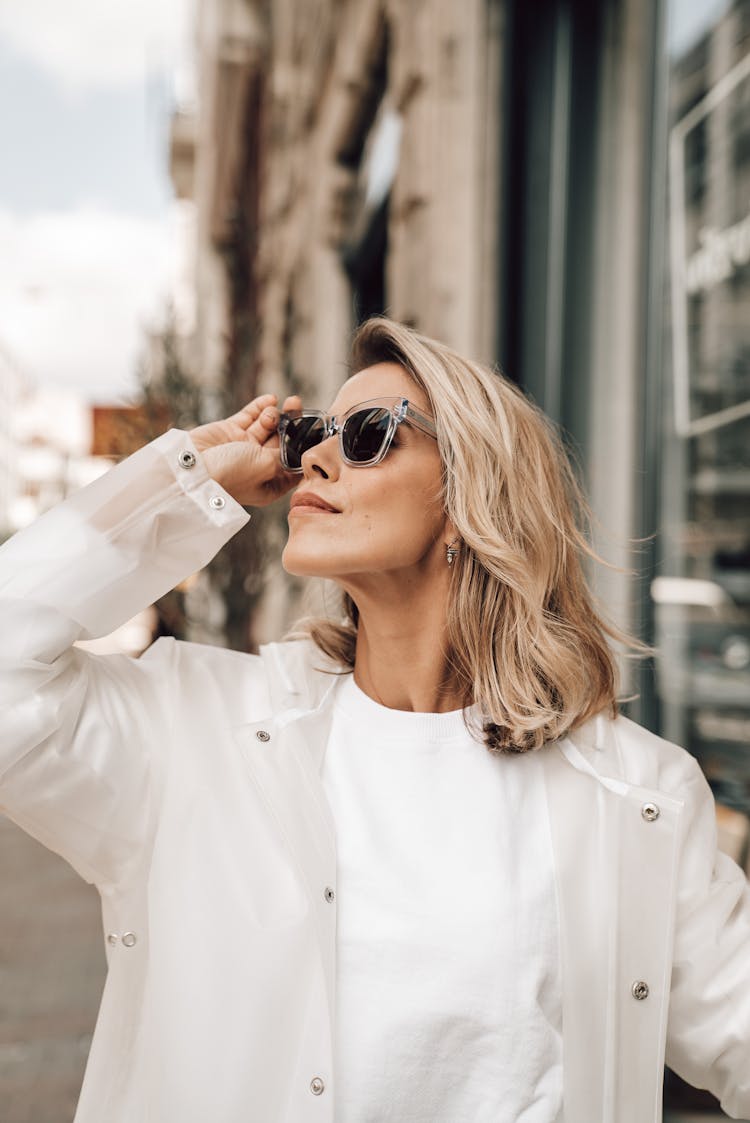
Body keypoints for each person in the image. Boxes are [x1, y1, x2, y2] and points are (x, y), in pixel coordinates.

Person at [0, 315, 748, 1123]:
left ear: (469, 498)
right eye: (314, 432)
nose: (316, 454)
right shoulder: (194, 730)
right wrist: (183, 480)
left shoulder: (634, 794)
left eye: (366, 433)